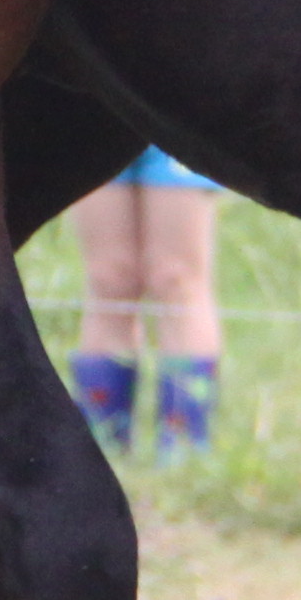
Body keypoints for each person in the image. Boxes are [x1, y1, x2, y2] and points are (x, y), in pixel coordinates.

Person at [68, 147, 220, 458]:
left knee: (175, 278)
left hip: (177, 115)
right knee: (108, 278)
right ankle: (101, 453)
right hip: (97, 110)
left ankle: (185, 455)